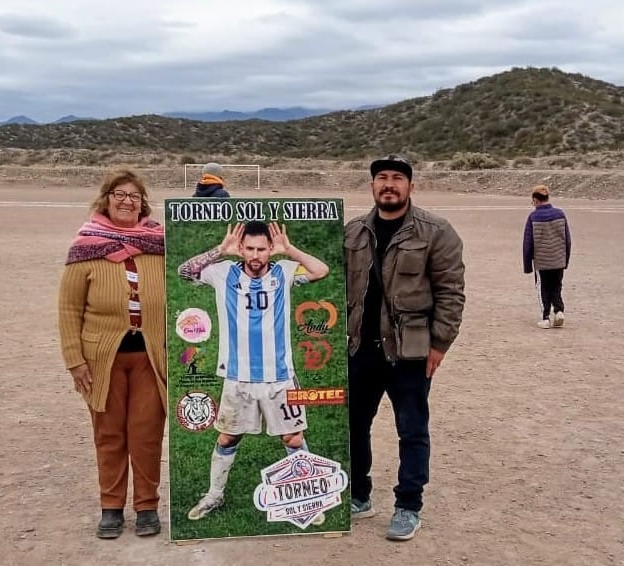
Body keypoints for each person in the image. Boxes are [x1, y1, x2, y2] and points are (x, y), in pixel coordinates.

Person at [344, 154, 465, 541]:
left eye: (398, 178)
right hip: (360, 347)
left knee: (411, 429)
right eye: (382, 178)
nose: (389, 184)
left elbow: (451, 293)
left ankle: (408, 505)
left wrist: (440, 344)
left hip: (409, 351)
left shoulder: (436, 232)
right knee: (354, 425)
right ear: (372, 186)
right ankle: (359, 494)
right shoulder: (354, 233)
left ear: (411, 186)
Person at [177, 220, 329, 522]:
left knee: (293, 439)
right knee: (227, 438)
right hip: (237, 376)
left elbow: (320, 270)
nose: (256, 255)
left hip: (280, 377)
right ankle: (214, 496)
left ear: (270, 249)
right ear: (241, 249)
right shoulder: (223, 273)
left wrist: (291, 251)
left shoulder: (284, 271)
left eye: (262, 249)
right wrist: (220, 251)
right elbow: (185, 271)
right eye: (249, 249)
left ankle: (307, 497)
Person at [58, 170, 167, 539]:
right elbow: (69, 309)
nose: (126, 201)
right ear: (106, 199)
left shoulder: (160, 245)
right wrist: (75, 360)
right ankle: (111, 508)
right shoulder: (85, 248)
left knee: (147, 434)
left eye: (134, 196)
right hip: (101, 360)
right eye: (119, 194)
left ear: (143, 204)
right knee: (109, 435)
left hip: (151, 358)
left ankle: (148, 505)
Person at [523, 184, 571, 329]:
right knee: (556, 285)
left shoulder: (533, 217)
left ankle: (545, 317)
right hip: (558, 259)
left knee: (543, 287)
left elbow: (528, 243)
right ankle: (558, 310)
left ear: (536, 200)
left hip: (541, 261)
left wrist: (527, 266)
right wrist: (565, 260)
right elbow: (567, 240)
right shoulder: (560, 214)